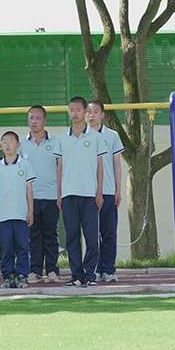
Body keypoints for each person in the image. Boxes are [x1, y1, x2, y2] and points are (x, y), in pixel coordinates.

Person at [54, 97, 107, 287]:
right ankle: (76, 275)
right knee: (72, 237)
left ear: (85, 112)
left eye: (78, 110)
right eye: (71, 110)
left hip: (90, 194)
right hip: (69, 195)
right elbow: (59, 168)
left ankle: (90, 275)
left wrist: (99, 192)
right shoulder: (62, 138)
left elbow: (100, 167)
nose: (74, 113)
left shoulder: (96, 137)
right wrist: (59, 194)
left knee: (92, 237)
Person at [0, 131, 36, 289]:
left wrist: (30, 211)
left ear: (18, 145)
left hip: (21, 214)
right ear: (0, 145)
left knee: (23, 247)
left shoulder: (25, 165)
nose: (7, 145)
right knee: (7, 248)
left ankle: (22, 276)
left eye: (11, 141)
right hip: (4, 215)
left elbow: (29, 190)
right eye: (4, 142)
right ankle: (8, 275)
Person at [19, 105, 61, 284]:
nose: (34, 121)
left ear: (44, 120)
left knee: (50, 235)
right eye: (31, 118)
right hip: (30, 198)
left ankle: (52, 270)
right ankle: (35, 271)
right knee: (34, 236)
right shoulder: (21, 144)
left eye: (37, 118)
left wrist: (60, 194)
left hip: (51, 196)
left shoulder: (56, 142)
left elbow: (61, 169)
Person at [87, 99, 125, 283]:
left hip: (109, 191)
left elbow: (117, 164)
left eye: (95, 111)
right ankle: (93, 269)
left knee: (108, 232)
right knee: (91, 234)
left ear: (102, 114)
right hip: (87, 192)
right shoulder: (80, 136)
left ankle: (108, 269)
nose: (91, 115)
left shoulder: (112, 136)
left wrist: (118, 189)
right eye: (88, 111)